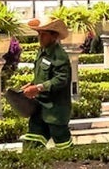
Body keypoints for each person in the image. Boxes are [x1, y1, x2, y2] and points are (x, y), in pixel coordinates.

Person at [20, 17, 72, 150]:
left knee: (63, 146)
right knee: (32, 143)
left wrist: (38, 88)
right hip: (40, 108)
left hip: (55, 111)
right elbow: (41, 76)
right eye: (39, 34)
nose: (40, 37)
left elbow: (61, 79)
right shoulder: (41, 52)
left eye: (44, 34)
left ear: (53, 36)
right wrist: (31, 85)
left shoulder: (59, 56)